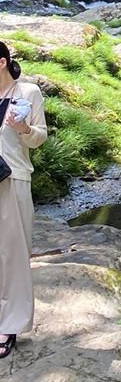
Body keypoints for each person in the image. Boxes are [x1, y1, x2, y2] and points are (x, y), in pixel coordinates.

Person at [0, 40, 48, 358]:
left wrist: (23, 128)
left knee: (12, 257)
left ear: (1, 63)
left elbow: (39, 137)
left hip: (11, 180)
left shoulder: (27, 92)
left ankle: (8, 326)